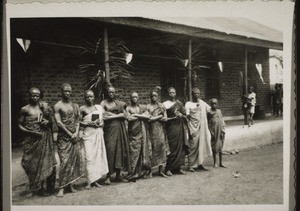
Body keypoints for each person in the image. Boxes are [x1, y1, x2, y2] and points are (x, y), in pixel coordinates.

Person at [18, 87, 56, 197]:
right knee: (29, 163)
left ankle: (40, 188)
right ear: (29, 96)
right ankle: (34, 187)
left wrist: (47, 122)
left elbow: (50, 121)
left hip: (43, 138)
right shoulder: (24, 109)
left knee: (43, 163)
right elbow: (19, 125)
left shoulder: (43, 107)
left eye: (37, 95)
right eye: (33, 95)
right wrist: (31, 132)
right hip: (31, 140)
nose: (35, 97)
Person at [54, 83, 85, 197]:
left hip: (73, 137)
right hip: (63, 138)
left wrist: (76, 133)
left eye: (69, 91)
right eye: (65, 91)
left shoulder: (74, 105)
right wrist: (70, 134)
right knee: (64, 161)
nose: (68, 93)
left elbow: (77, 121)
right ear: (61, 91)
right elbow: (58, 122)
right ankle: (61, 188)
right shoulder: (58, 106)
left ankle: (70, 184)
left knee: (73, 161)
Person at [100, 86, 130, 184]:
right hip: (109, 131)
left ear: (115, 93)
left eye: (113, 92)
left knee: (119, 152)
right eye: (109, 92)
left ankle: (118, 175)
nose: (111, 94)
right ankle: (108, 176)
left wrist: (112, 115)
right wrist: (118, 115)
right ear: (106, 93)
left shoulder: (119, 104)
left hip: (120, 130)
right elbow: (103, 116)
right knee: (110, 151)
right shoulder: (103, 103)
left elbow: (126, 116)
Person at [79, 90, 109, 189]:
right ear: (84, 98)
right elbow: (78, 122)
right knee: (89, 157)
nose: (89, 99)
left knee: (97, 157)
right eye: (87, 97)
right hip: (88, 134)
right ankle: (89, 181)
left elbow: (102, 122)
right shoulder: (82, 109)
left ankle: (95, 181)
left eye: (91, 97)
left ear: (94, 97)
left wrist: (99, 124)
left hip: (98, 133)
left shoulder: (98, 108)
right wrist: (88, 123)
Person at [126, 91, 152, 182]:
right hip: (133, 133)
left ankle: (141, 172)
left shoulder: (142, 107)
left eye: (136, 97)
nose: (135, 99)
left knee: (142, 151)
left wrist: (136, 115)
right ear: (130, 98)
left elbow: (148, 117)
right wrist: (141, 116)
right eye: (133, 97)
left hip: (142, 132)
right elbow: (129, 118)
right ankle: (132, 173)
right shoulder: (128, 108)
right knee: (133, 151)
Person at [163, 87, 189, 176]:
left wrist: (181, 115)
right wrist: (173, 118)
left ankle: (178, 168)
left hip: (179, 127)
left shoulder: (179, 104)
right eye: (170, 93)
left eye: (173, 92)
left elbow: (186, 116)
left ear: (176, 93)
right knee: (172, 148)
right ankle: (168, 168)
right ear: (168, 94)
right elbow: (164, 118)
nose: (172, 94)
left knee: (180, 148)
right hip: (170, 128)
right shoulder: (165, 104)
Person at [185, 88, 212, 172]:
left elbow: (210, 110)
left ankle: (200, 164)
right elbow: (187, 117)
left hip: (201, 127)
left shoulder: (202, 103)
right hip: (193, 128)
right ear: (192, 94)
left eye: (198, 93)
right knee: (192, 146)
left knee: (201, 144)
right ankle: (190, 165)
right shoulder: (188, 104)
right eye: (195, 93)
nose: (197, 95)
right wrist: (189, 129)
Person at [147, 87, 169, 178]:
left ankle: (160, 170)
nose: (154, 97)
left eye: (155, 96)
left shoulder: (161, 106)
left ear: (158, 96)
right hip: (152, 130)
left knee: (161, 147)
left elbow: (165, 118)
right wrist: (158, 117)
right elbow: (148, 119)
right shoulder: (148, 107)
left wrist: (158, 117)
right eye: (152, 96)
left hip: (160, 129)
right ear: (150, 97)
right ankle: (150, 171)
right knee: (152, 148)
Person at [207, 98, 226, 168]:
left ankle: (221, 162)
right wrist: (211, 132)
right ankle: (215, 162)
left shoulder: (219, 111)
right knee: (214, 146)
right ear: (211, 104)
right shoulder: (209, 112)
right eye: (213, 104)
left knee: (220, 146)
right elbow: (208, 123)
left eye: (215, 104)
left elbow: (222, 120)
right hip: (214, 131)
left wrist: (223, 131)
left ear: (217, 104)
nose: (214, 105)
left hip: (220, 130)